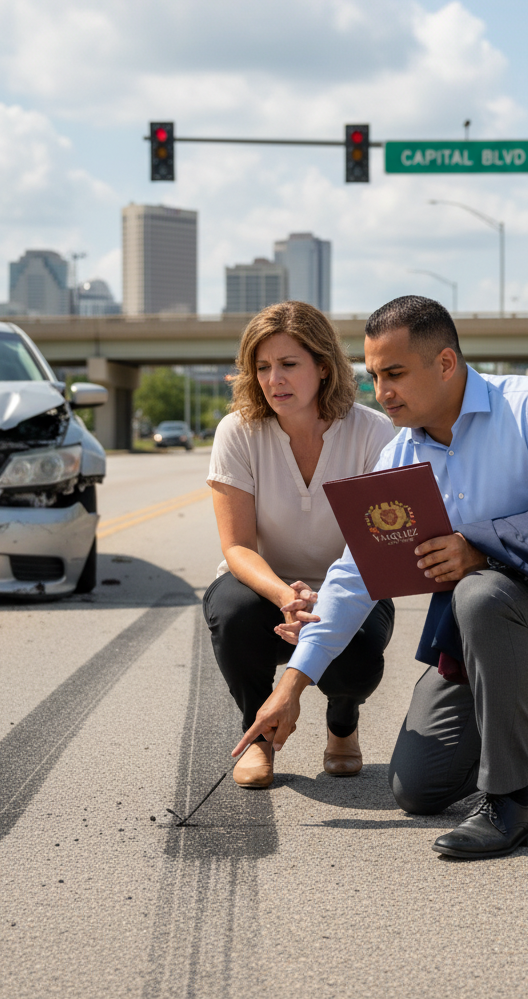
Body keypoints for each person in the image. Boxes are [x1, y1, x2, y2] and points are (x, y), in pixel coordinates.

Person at [235, 295, 528, 858]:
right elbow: (357, 574)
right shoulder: (399, 456)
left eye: (396, 374)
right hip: (487, 637)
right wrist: (291, 686)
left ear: (446, 364)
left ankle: (508, 805)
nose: (381, 393)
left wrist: (478, 547)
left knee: (479, 593)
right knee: (418, 786)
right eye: (374, 375)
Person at [205, 300, 395, 789]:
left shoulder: (374, 433)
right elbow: (238, 546)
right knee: (232, 612)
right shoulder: (238, 432)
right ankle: (259, 736)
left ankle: (343, 722)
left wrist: (323, 599)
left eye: (288, 365)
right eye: (262, 367)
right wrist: (286, 596)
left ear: (323, 368)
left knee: (358, 659)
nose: (274, 380)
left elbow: (381, 549)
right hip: (265, 587)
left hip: (351, 584)